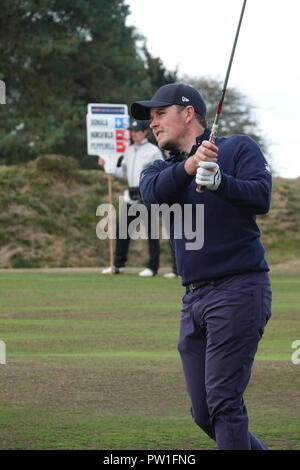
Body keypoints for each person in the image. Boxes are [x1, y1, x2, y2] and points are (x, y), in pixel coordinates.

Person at [131, 83, 272, 450]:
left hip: (239, 288)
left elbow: (261, 197)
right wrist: (191, 166)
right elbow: (150, 194)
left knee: (224, 402)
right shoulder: (161, 168)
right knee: (204, 411)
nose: (154, 124)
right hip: (193, 300)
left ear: (188, 112)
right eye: (151, 119)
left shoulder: (237, 148)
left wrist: (223, 182)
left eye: (160, 114)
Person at [99, 119, 163, 277]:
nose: (133, 134)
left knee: (151, 232)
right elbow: (122, 173)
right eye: (132, 131)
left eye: (136, 131)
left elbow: (161, 171)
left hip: (147, 194)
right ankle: (118, 265)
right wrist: (107, 166)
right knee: (123, 231)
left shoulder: (153, 150)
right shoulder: (128, 150)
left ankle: (152, 267)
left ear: (145, 132)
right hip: (131, 195)